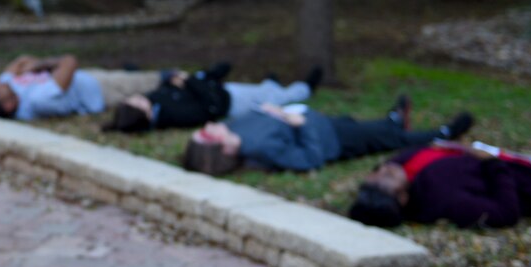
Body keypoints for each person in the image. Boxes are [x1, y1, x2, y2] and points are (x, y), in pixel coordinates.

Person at [348, 124, 531, 229]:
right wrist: (493, 164)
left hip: (519, 164)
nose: (385, 168)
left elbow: (404, 159)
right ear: (401, 199)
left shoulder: (405, 171)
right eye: (386, 177)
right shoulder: (443, 200)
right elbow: (506, 213)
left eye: (377, 171)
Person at [183, 94, 474, 175]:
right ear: (223, 150)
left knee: (367, 128)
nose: (208, 126)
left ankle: (393, 120)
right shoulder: (262, 150)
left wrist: (274, 110)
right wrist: (300, 124)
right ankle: (442, 134)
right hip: (331, 139)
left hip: (322, 122)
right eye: (206, 134)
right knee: (383, 140)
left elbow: (262, 113)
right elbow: (311, 159)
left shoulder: (235, 127)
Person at [102, 65, 322, 132]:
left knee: (265, 89)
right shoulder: (176, 116)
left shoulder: (157, 101)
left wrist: (176, 81)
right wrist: (189, 81)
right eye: (140, 103)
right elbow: (210, 107)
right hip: (232, 101)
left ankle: (270, 82)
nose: (141, 98)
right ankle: (306, 88)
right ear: (148, 115)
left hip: (224, 90)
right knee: (279, 97)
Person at [0, 54, 160, 121]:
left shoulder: (10, 87)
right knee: (157, 80)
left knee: (132, 75)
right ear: (8, 106)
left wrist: (38, 65)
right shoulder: (38, 100)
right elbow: (69, 61)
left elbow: (22, 60)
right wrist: (46, 64)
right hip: (102, 90)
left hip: (87, 77)